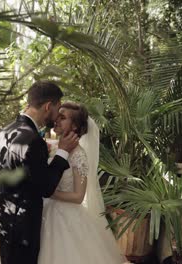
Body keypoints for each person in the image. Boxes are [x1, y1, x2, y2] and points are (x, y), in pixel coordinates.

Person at [0, 80, 79, 264]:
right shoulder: (32, 140)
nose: (57, 116)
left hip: (4, 220)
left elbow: (20, 169)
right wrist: (62, 152)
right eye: (58, 108)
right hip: (23, 228)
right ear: (48, 106)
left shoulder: (6, 130)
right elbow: (46, 187)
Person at [38, 102, 127, 264]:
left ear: (75, 127)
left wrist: (49, 192)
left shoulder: (79, 155)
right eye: (58, 115)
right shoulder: (55, 147)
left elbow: (79, 196)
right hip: (46, 211)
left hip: (66, 218)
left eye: (62, 117)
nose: (56, 120)